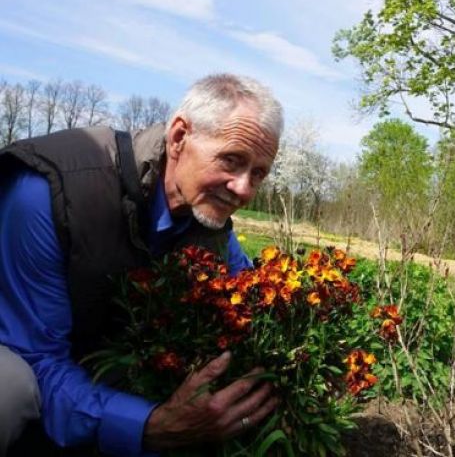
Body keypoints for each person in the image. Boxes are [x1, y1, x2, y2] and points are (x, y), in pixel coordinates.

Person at [0, 74, 283, 456]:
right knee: (10, 389)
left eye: (259, 173)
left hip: (88, 370)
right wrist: (150, 426)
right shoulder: (49, 193)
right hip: (21, 356)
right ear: (179, 137)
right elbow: (37, 359)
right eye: (232, 160)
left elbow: (253, 301)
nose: (245, 189)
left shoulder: (210, 226)